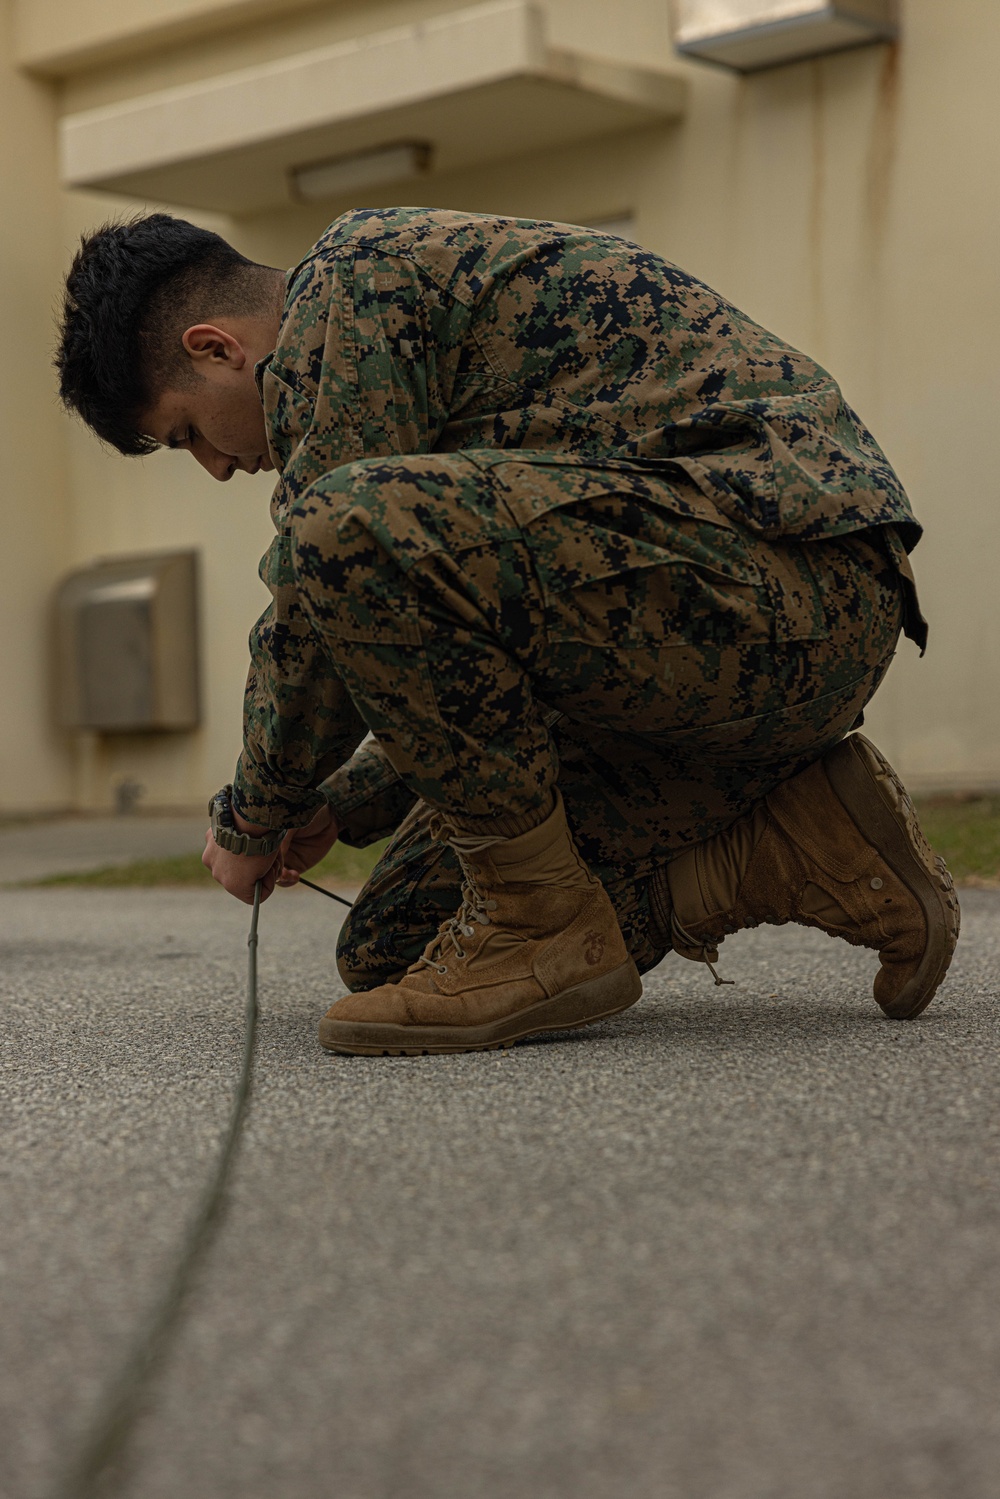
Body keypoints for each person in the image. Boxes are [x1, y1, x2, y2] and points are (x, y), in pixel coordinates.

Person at [56, 207, 959, 1056]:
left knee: (343, 527)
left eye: (186, 436)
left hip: (797, 589)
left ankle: (541, 919)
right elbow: (468, 666)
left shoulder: (357, 281)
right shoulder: (389, 378)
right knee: (393, 940)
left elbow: (318, 589)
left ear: (214, 349)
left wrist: (255, 812)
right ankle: (801, 839)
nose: (217, 468)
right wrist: (343, 803)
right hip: (688, 637)